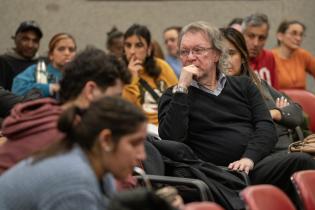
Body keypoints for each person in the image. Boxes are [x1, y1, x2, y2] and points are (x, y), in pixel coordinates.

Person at [158, 21, 315, 206]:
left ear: (216, 54)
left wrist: (249, 158)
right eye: (184, 52)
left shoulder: (243, 85)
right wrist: (182, 87)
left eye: (198, 50)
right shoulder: (174, 95)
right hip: (219, 174)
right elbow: (172, 139)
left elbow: (265, 126)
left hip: (254, 164)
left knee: (301, 161)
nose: (191, 57)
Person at [0, 96, 147, 210]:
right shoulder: (75, 180)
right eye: (134, 143)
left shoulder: (97, 166)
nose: (142, 155)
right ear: (106, 140)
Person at [0, 46, 131, 174]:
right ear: (90, 91)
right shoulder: (64, 138)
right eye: (114, 98)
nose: (117, 107)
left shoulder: (52, 120)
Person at [221, 27, 304, 153]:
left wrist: (275, 113)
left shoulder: (257, 82)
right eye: (220, 54)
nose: (225, 60)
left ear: (243, 57)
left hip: (287, 149)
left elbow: (297, 112)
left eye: (231, 53)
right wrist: (280, 122)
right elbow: (246, 132)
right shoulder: (214, 90)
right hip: (259, 157)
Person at [122, 24, 177, 126]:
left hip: (168, 127)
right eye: (128, 45)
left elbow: (178, 97)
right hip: (142, 130)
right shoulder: (119, 73)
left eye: (139, 45)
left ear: (149, 48)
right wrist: (132, 78)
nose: (132, 51)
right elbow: (127, 113)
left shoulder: (161, 66)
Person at [12, 33, 76, 97]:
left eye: (71, 50)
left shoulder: (79, 73)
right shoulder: (37, 70)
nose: (67, 53)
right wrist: (50, 88)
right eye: (61, 49)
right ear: (51, 55)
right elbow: (17, 89)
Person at [0, 20, 43, 90]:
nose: (30, 45)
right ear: (15, 39)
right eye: (25, 39)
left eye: (35, 41)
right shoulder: (3, 61)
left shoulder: (43, 63)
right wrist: (27, 100)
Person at [272, 20, 315, 89]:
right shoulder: (270, 57)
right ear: (280, 36)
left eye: (301, 35)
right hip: (279, 98)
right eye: (293, 33)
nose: (298, 38)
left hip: (301, 99)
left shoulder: (303, 55)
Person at [241, 13, 278, 89]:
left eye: (261, 38)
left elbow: (276, 91)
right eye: (251, 36)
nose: (256, 43)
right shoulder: (234, 59)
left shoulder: (269, 57)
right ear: (241, 35)